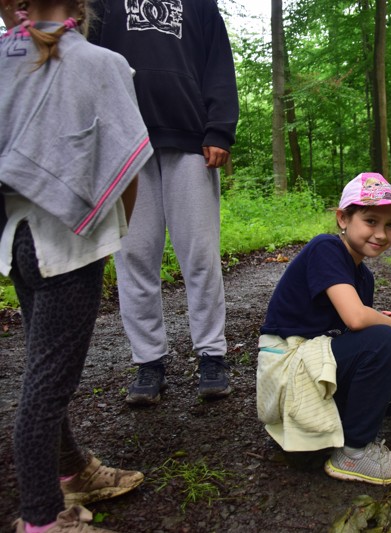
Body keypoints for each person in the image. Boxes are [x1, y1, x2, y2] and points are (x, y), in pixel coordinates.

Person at [0, 0, 153, 530]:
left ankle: (74, 470)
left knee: (46, 367)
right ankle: (42, 518)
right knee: (46, 387)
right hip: (68, 247)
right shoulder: (101, 63)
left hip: (16, 240)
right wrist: (115, 232)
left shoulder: (3, 58)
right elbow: (129, 162)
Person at [88, 0, 240, 405]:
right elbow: (86, 62)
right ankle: (148, 361)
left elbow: (219, 69)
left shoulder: (201, 6)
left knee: (200, 254)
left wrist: (220, 130)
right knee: (134, 255)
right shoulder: (100, 5)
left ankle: (212, 354)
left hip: (190, 139)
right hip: (124, 141)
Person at [257, 172, 391, 485]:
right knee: (384, 337)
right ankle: (353, 452)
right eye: (370, 220)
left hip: (315, 370)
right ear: (343, 219)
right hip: (291, 374)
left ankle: (324, 436)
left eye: (390, 224)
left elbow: (354, 339)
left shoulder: (362, 276)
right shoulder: (325, 249)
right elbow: (356, 319)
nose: (381, 233)